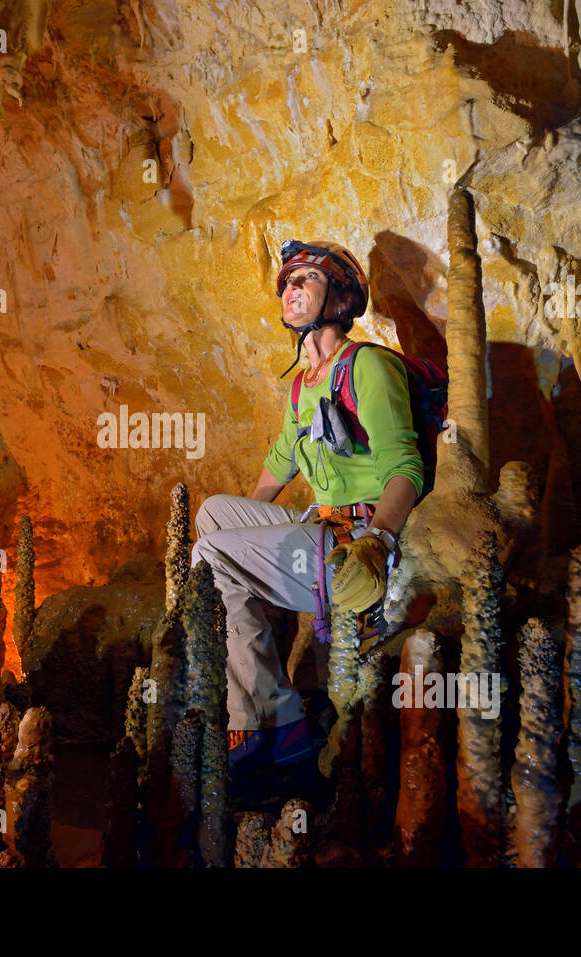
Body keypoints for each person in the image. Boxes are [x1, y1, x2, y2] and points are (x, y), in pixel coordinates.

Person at [190, 239, 424, 803]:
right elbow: (279, 463)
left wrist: (377, 542)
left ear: (339, 299)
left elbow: (407, 467)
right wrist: (239, 539)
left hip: (352, 541)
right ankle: (271, 704)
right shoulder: (302, 385)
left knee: (212, 555)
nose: (291, 290)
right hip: (313, 529)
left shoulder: (366, 366)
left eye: (307, 281)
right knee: (209, 518)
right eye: (288, 282)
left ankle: (269, 722)